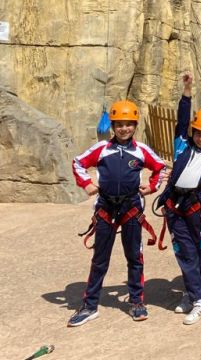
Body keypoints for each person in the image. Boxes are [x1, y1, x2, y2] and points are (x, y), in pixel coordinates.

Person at [68, 100, 165, 327]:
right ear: (112, 126)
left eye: (129, 124)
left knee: (134, 257)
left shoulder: (141, 150)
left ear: (135, 125)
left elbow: (160, 167)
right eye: (119, 124)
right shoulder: (102, 149)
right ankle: (90, 305)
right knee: (100, 259)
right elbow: (78, 163)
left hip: (131, 207)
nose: (124, 129)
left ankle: (136, 301)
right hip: (106, 208)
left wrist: (152, 187)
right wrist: (86, 183)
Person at [155, 74, 201, 325]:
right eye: (199, 133)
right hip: (175, 204)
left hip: (195, 205)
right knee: (183, 250)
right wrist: (187, 91)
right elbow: (182, 119)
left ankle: (194, 294)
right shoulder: (182, 144)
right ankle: (197, 298)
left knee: (196, 250)